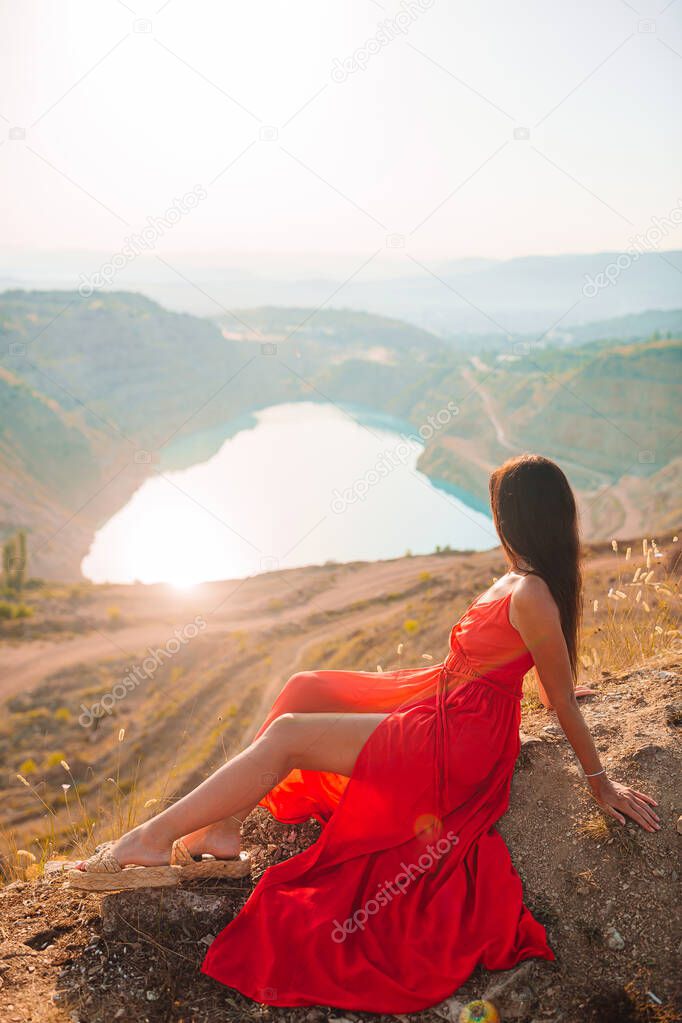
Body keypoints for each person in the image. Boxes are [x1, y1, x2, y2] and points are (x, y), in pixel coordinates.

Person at [73, 453, 659, 1013]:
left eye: (499, 510)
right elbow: (522, 661)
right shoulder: (521, 578)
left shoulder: (531, 592)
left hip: (459, 736)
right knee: (305, 686)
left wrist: (601, 783)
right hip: (440, 693)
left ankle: (153, 839)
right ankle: (223, 831)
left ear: (518, 517)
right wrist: (536, 687)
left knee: (288, 735)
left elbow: (558, 696)